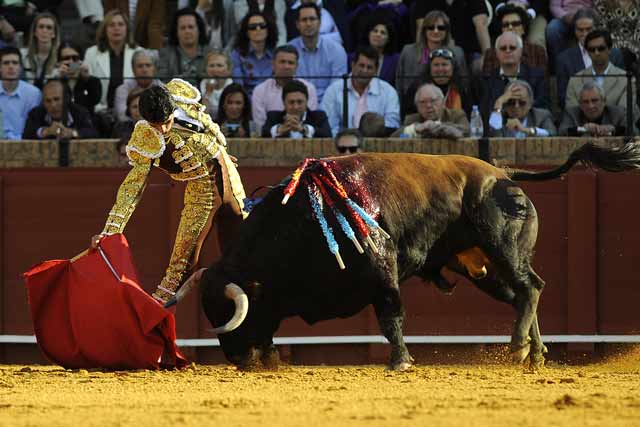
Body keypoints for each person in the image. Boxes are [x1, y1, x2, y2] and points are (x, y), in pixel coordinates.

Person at [90, 80, 247, 306]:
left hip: (229, 176)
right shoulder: (145, 137)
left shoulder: (181, 99)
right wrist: (109, 232)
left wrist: (219, 153)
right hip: (202, 192)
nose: (163, 130)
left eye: (166, 122)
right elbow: (133, 186)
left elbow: (207, 127)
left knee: (246, 242)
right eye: (157, 125)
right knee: (181, 265)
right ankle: (155, 315)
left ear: (173, 109)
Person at [395, 11, 468, 112]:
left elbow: (463, 84)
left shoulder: (457, 52)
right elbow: (399, 83)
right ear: (424, 30)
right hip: (414, 105)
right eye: (431, 27)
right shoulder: (408, 52)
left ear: (447, 31)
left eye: (441, 28)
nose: (436, 31)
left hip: (451, 105)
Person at [322, 45, 400, 136]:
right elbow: (329, 126)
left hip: (376, 144)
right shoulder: (334, 90)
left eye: (369, 67)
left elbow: (392, 124)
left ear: (376, 70)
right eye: (361, 65)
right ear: (353, 65)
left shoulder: (388, 92)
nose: (364, 71)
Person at [555, 8, 625, 108]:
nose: (584, 34)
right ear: (574, 31)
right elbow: (563, 98)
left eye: (589, 29)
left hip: (613, 116)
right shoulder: (563, 60)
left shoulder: (615, 54)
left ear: (597, 28)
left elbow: (623, 88)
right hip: (580, 117)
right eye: (580, 30)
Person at [83, 9, 141, 113]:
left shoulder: (138, 52)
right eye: (111, 25)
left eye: (120, 24)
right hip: (101, 111)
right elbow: (87, 85)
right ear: (105, 29)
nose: (116, 28)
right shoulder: (91, 53)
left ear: (127, 28)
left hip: (132, 112)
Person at [565, 29, 637, 113]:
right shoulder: (575, 80)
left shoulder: (626, 80)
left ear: (609, 49)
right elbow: (572, 114)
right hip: (584, 126)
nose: (596, 53)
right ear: (587, 52)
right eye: (592, 49)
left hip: (615, 126)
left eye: (601, 48)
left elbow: (625, 114)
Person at [289, 3, 347, 102]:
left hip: (328, 105)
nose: (308, 24)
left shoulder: (337, 51)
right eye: (304, 20)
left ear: (320, 22)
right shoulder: (289, 50)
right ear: (297, 25)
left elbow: (337, 89)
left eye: (312, 19)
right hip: (297, 105)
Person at [481, 31, 549, 117]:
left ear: (521, 51)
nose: (508, 51)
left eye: (512, 48)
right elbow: (484, 113)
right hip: (499, 128)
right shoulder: (487, 79)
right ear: (496, 53)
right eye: (503, 48)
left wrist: (521, 103)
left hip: (529, 126)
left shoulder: (538, 76)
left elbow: (542, 108)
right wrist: (500, 101)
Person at [251, 44, 318, 131]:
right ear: (273, 64)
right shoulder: (260, 90)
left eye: (290, 63)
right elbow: (260, 125)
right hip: (271, 140)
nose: (286, 66)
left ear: (297, 66)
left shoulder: (309, 88)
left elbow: (310, 119)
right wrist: (280, 130)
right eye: (282, 62)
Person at [413, 1, 491, 73]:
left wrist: (487, 57)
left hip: (469, 52)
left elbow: (481, 25)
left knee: (482, 66)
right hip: (434, 51)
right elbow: (421, 28)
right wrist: (423, 58)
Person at [403, 47, 476, 118]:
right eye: (436, 65)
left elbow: (469, 117)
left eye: (444, 64)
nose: (440, 69)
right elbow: (408, 117)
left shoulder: (463, 88)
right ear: (429, 68)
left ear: (453, 67)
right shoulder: (417, 88)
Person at [22, 79, 97, 139]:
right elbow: (27, 134)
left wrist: (72, 133)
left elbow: (92, 132)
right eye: (48, 101)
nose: (53, 105)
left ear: (66, 99)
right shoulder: (36, 114)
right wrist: (46, 131)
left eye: (56, 99)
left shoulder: (80, 112)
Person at [483, 4, 547, 74]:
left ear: (523, 29)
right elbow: (488, 83)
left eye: (515, 24)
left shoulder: (537, 52)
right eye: (505, 25)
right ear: (501, 29)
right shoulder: (490, 54)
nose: (510, 27)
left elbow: (542, 83)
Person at [392, 83, 469, 139]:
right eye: (422, 102)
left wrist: (437, 126)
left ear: (442, 102)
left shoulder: (457, 115)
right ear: (417, 106)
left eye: (433, 101)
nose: (428, 106)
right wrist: (416, 129)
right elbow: (396, 137)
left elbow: (466, 132)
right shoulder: (411, 119)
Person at [158, 8, 212, 86]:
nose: (187, 31)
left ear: (199, 29)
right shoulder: (165, 54)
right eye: (183, 28)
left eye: (191, 27)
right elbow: (163, 82)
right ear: (176, 32)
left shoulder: (210, 53)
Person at [261, 79, 331, 138]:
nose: (295, 107)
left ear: (307, 101)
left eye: (300, 102)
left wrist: (303, 129)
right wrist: (280, 129)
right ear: (284, 102)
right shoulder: (273, 117)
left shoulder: (319, 117)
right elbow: (263, 134)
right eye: (291, 102)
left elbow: (327, 136)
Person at [559, 81, 632, 136]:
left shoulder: (618, 113)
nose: (591, 106)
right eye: (585, 102)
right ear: (580, 104)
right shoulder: (571, 113)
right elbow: (562, 132)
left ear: (604, 101)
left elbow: (633, 132)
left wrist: (613, 129)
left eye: (594, 100)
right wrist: (584, 129)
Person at [230, 11, 277, 96]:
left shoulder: (276, 54)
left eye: (262, 26)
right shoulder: (237, 55)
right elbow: (238, 86)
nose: (258, 29)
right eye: (253, 27)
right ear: (247, 32)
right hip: (247, 100)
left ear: (268, 30)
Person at [489, 79, 556, 137]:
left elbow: (552, 134)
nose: (516, 106)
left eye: (522, 103)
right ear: (505, 105)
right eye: (511, 102)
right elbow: (493, 135)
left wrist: (524, 129)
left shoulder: (541, 116)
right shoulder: (499, 117)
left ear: (530, 104)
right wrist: (498, 102)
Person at [0, 46, 41, 139]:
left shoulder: (33, 93)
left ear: (20, 67)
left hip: (26, 145)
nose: (11, 67)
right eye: (6, 63)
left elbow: (34, 126)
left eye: (15, 63)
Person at [52, 42, 102, 116]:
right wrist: (58, 79)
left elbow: (95, 99)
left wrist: (87, 79)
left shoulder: (92, 81)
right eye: (66, 58)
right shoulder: (54, 81)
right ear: (59, 62)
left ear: (80, 60)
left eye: (75, 58)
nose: (71, 62)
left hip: (85, 123)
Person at [113, 49, 162, 122]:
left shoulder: (162, 88)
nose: (144, 70)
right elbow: (121, 116)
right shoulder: (122, 90)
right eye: (140, 66)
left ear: (154, 69)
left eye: (148, 65)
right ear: (133, 69)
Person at [20, 12, 60, 89]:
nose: (44, 30)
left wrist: (73, 67)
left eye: (49, 27)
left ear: (54, 34)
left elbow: (77, 65)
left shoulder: (62, 53)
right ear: (35, 32)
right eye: (41, 27)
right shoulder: (22, 54)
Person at [358, 14, 399, 86]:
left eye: (383, 33)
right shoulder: (355, 56)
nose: (378, 35)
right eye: (375, 31)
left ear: (388, 39)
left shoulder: (395, 60)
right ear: (368, 34)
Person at [200, 49, 233, 119]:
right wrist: (207, 93)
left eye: (219, 65)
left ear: (228, 70)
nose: (215, 69)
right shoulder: (199, 87)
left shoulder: (232, 86)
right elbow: (203, 116)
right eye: (211, 66)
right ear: (206, 69)